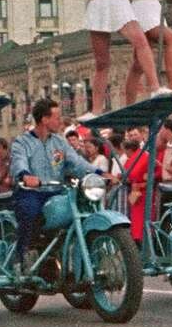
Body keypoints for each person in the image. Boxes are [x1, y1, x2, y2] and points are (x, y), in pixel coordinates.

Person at [9, 98, 110, 268]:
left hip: (57, 192)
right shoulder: (22, 142)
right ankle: (22, 255)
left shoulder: (59, 142)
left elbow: (77, 163)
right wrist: (25, 175)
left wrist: (100, 172)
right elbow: (19, 161)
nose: (60, 121)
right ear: (44, 119)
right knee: (30, 211)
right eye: (56, 117)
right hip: (31, 192)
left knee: (82, 207)